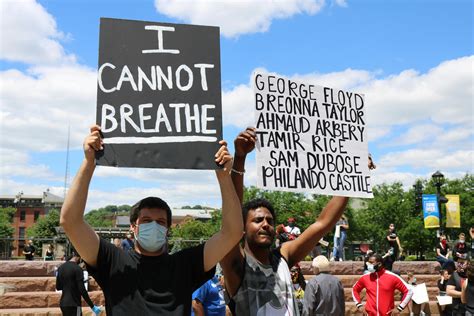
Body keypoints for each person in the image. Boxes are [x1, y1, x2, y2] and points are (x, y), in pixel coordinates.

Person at [60, 125, 243, 315]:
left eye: (161, 222)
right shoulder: (113, 261)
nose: (154, 225)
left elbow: (233, 233)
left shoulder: (185, 265)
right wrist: (89, 163)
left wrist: (223, 176)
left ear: (168, 229)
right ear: (133, 227)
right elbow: (70, 222)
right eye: (146, 220)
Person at [221, 127, 375, 315]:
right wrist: (240, 157)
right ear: (243, 227)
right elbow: (231, 220)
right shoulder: (236, 264)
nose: (266, 224)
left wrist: (354, 174)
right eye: (258, 220)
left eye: (270, 220)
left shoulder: (283, 257)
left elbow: (322, 224)